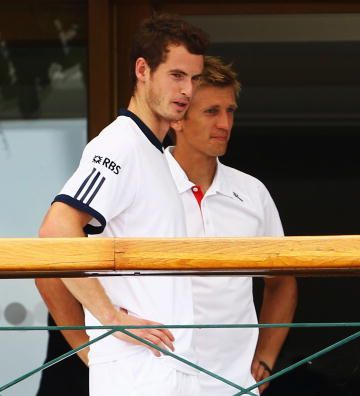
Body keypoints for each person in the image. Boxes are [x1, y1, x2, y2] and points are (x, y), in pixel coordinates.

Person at [35, 14, 208, 396]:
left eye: (194, 79)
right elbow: (56, 230)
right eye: (177, 75)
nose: (187, 90)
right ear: (142, 70)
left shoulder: (157, 154)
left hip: (170, 367)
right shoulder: (119, 144)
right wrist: (108, 319)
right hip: (138, 374)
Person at [166, 55, 298, 395]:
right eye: (212, 111)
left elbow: (282, 281)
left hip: (235, 387)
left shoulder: (252, 192)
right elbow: (68, 265)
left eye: (231, 111)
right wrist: (91, 349)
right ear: (178, 118)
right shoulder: (141, 183)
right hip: (152, 383)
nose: (225, 123)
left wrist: (266, 358)